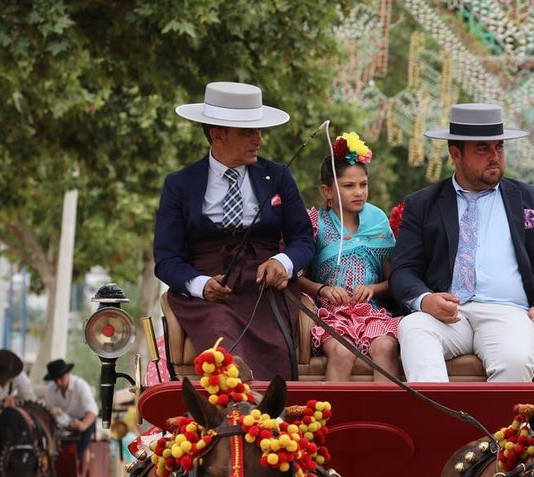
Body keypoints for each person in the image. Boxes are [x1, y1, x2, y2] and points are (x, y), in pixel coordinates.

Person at [389, 103, 534, 382]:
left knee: (515, 359)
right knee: (414, 328)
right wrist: (425, 299)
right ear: (455, 154)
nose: (495, 157)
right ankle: (436, 424)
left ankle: (501, 427)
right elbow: (403, 270)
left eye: (499, 148)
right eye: (483, 149)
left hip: (510, 313)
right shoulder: (423, 204)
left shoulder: (532, 200)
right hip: (447, 316)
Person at [153, 81, 315, 381]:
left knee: (277, 355)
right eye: (248, 132)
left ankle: (271, 425)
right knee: (223, 355)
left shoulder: (278, 176)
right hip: (211, 297)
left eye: (259, 130)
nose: (260, 140)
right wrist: (200, 285)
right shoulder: (180, 184)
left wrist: (284, 263)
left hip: (265, 292)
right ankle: (235, 423)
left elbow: (303, 239)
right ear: (218, 135)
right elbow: (166, 258)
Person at [300, 132, 402, 382]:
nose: (359, 192)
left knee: (385, 347)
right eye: (348, 186)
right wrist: (323, 289)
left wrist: (372, 289)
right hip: (330, 313)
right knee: (341, 350)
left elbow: (394, 282)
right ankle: (330, 419)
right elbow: (296, 278)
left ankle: (386, 418)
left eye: (363, 184)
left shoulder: (378, 221)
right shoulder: (316, 224)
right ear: (327, 191)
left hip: (372, 311)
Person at [42, 359, 99, 468]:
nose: (58, 383)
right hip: (63, 423)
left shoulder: (80, 385)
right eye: (55, 380)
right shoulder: (51, 389)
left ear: (68, 374)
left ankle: (77, 462)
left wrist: (82, 425)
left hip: (84, 421)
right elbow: (49, 410)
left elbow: (92, 411)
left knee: (84, 436)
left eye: (61, 378)